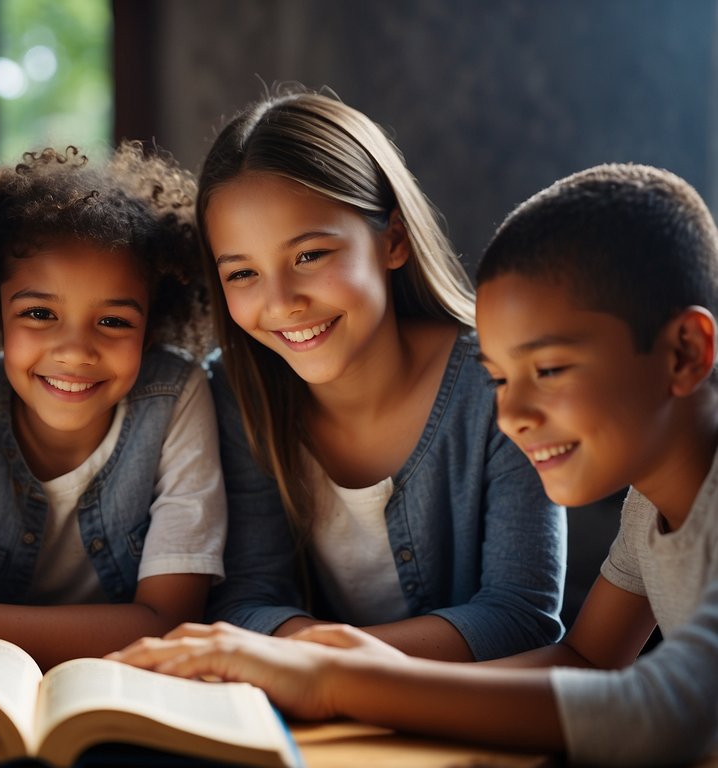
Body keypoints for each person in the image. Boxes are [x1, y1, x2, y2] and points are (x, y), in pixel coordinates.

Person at [112, 163, 718, 766]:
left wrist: (334, 679)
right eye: (500, 380)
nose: (512, 415)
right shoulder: (651, 507)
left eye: (550, 370)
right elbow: (583, 662)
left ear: (686, 352)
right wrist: (339, 671)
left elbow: (663, 715)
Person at [198, 87, 565, 661]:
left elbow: (521, 616)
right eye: (242, 273)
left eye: (310, 256)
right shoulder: (234, 391)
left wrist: (319, 665)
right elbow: (246, 599)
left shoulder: (499, 385)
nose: (283, 302)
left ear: (392, 240)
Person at [0, 143, 226, 669]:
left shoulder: (173, 396)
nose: (75, 350)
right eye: (38, 312)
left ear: (151, 328)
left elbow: (172, 622)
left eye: (114, 321)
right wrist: (134, 625)